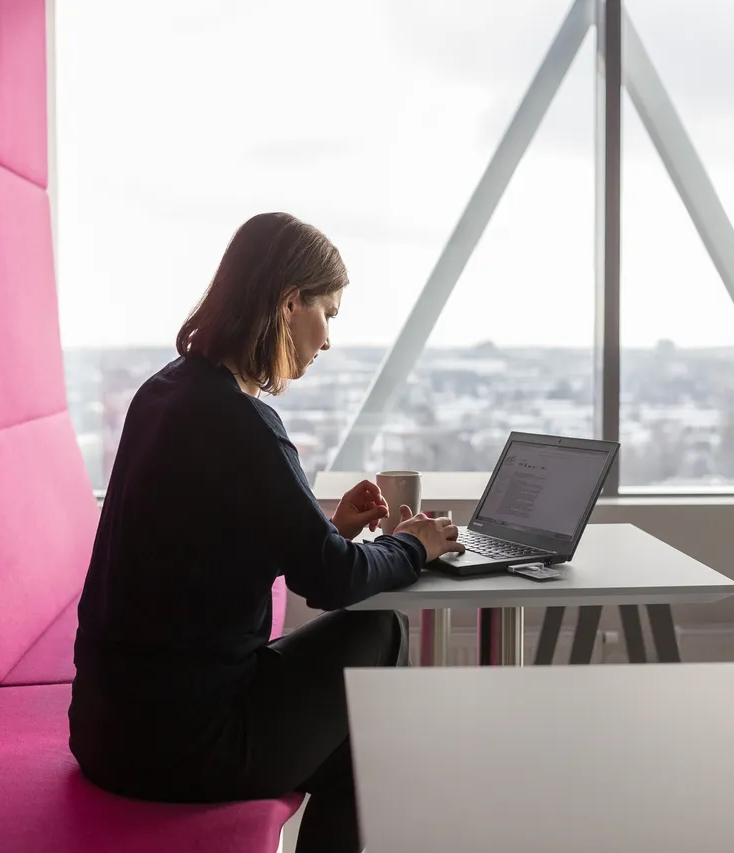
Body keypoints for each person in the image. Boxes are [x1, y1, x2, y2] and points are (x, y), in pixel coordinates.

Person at [68, 212, 465, 853]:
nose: (329, 339)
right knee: (380, 632)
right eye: (327, 314)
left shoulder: (165, 392)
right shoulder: (244, 422)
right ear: (288, 304)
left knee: (355, 743)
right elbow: (332, 581)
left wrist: (326, 529)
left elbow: (204, 545)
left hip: (104, 729)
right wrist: (413, 543)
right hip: (183, 745)